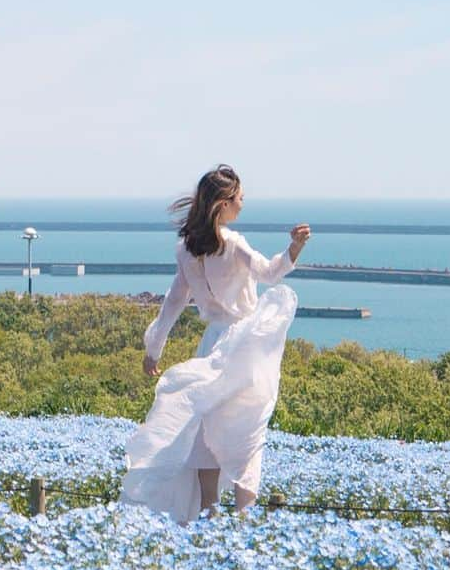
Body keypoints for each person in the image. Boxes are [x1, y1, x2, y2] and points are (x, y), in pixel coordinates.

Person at [121, 165, 310, 523]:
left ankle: (209, 514)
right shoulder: (233, 243)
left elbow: (173, 302)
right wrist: (294, 249)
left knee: (206, 433)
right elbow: (270, 273)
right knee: (248, 427)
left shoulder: (187, 249)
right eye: (239, 198)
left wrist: (153, 350)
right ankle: (243, 515)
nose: (242, 204)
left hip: (211, 346)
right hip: (245, 344)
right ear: (223, 203)